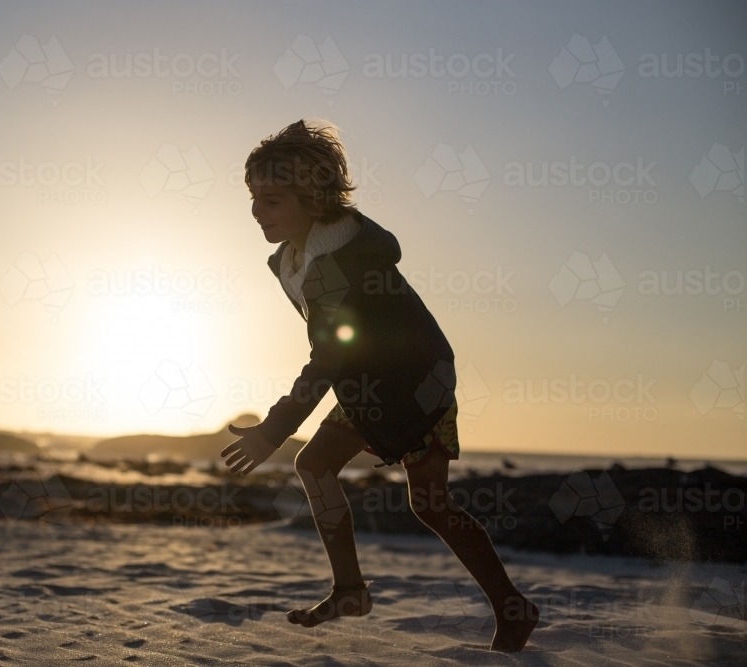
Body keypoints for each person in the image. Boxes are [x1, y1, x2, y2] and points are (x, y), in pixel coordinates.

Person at [220, 119, 539, 652]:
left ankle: (512, 608)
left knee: (429, 503)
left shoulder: (339, 261)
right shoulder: (292, 261)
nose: (257, 212)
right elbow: (337, 349)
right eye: (253, 198)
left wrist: (274, 429)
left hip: (416, 380)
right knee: (318, 466)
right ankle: (351, 590)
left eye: (271, 200)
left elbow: (328, 354)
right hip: (367, 379)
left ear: (313, 201)